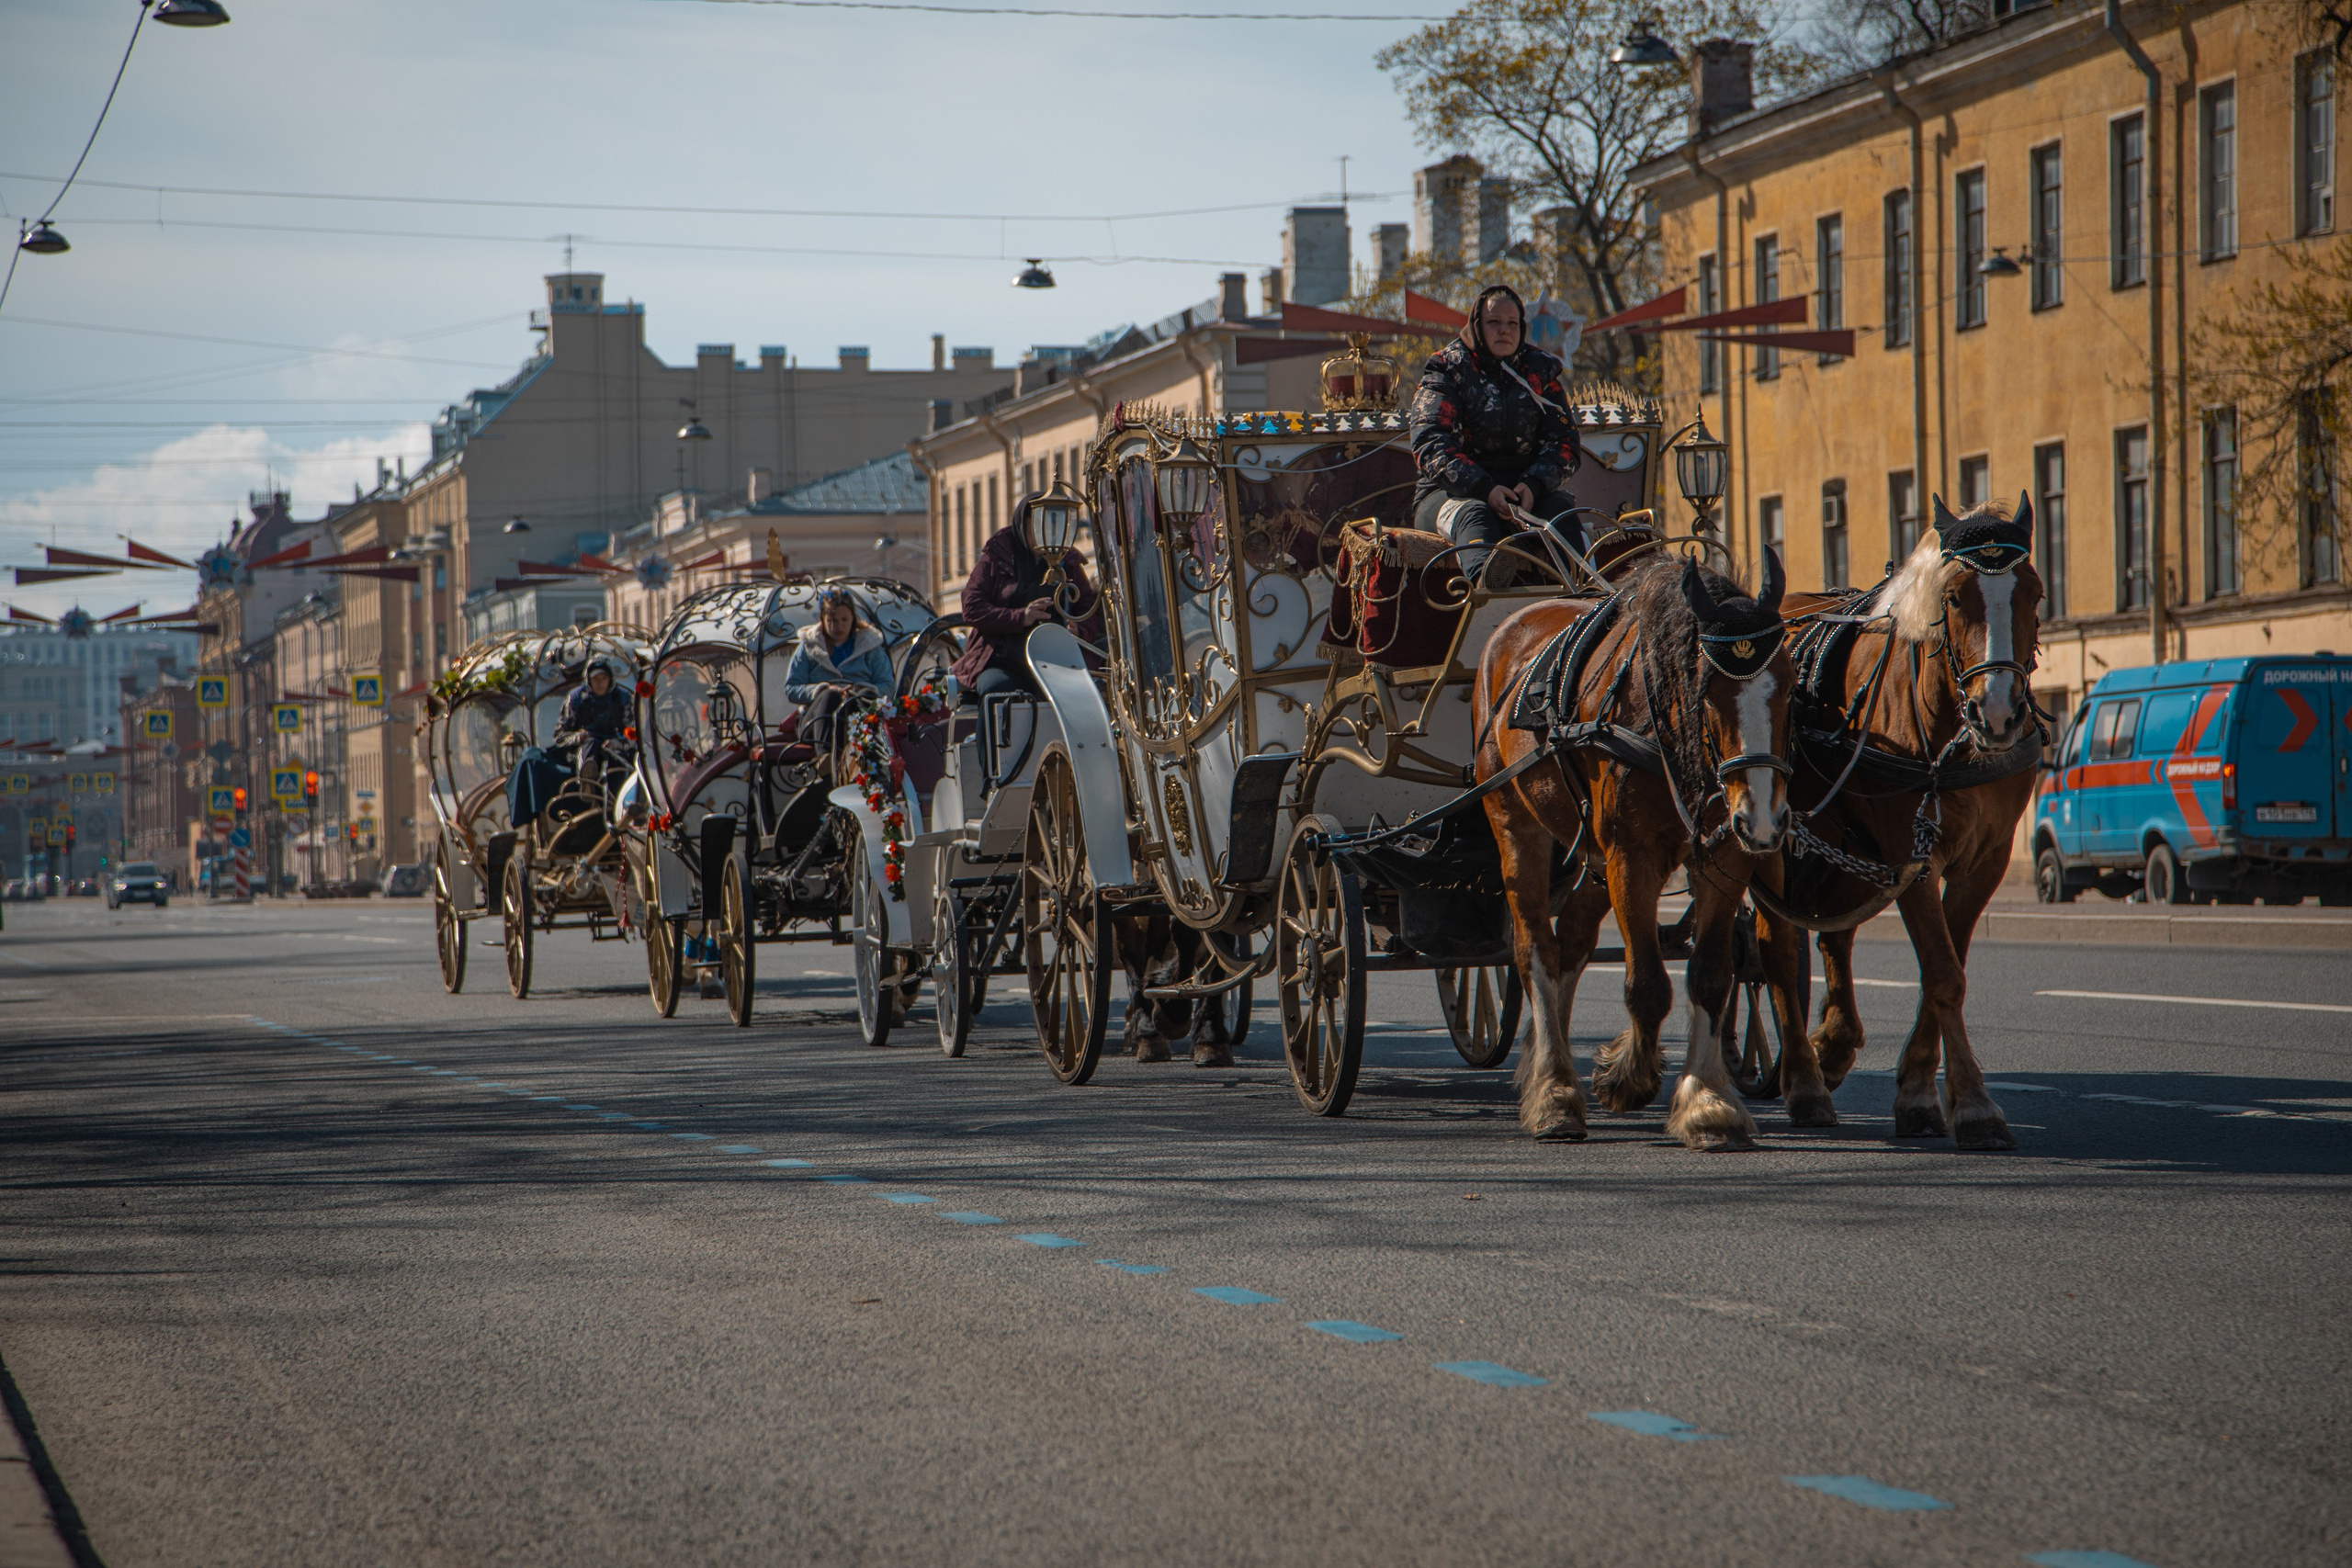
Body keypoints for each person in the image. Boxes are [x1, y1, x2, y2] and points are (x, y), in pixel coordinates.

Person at [1408, 282, 1584, 588]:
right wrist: (1484, 488)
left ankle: (1588, 595)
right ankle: (1488, 590)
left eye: (1512, 323)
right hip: (1451, 494)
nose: (1504, 330)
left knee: (1561, 512)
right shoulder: (1447, 368)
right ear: (1477, 325)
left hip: (1524, 494)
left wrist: (1533, 485)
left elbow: (1565, 443)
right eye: (1494, 322)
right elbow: (1430, 444)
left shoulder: (1540, 371)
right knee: (1476, 515)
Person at [949, 492, 1104, 700]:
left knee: (1084, 693)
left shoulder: (1066, 559)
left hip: (1059, 661)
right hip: (1003, 661)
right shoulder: (998, 553)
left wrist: (1080, 628)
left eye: (1051, 526)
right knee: (997, 691)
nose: (1045, 535)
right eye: (1038, 527)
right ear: (1024, 524)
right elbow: (972, 607)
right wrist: (1022, 616)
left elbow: (1087, 605)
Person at [783, 588, 896, 761]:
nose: (839, 626)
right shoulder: (809, 646)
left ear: (853, 619)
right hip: (816, 722)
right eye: (832, 620)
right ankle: (825, 759)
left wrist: (859, 689)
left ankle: (871, 756)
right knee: (830, 696)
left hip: (856, 716)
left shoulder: (870, 646)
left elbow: (887, 686)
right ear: (822, 619)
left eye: (844, 620)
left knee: (866, 695)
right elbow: (792, 688)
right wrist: (823, 689)